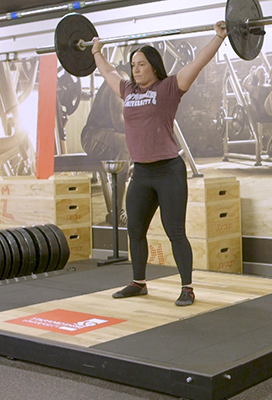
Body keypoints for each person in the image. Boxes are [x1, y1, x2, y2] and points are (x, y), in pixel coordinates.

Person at [91, 21, 227, 306]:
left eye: (141, 64)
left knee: (174, 230)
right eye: (133, 65)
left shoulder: (169, 87)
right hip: (140, 173)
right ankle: (138, 282)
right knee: (135, 229)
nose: (135, 69)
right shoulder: (128, 90)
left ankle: (187, 287)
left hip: (168, 171)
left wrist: (218, 37)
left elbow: (198, 62)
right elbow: (108, 72)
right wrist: (96, 52)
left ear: (153, 66)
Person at [80, 68, 131, 226]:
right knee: (125, 143)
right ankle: (117, 213)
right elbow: (119, 123)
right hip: (92, 136)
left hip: (105, 135)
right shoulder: (121, 81)